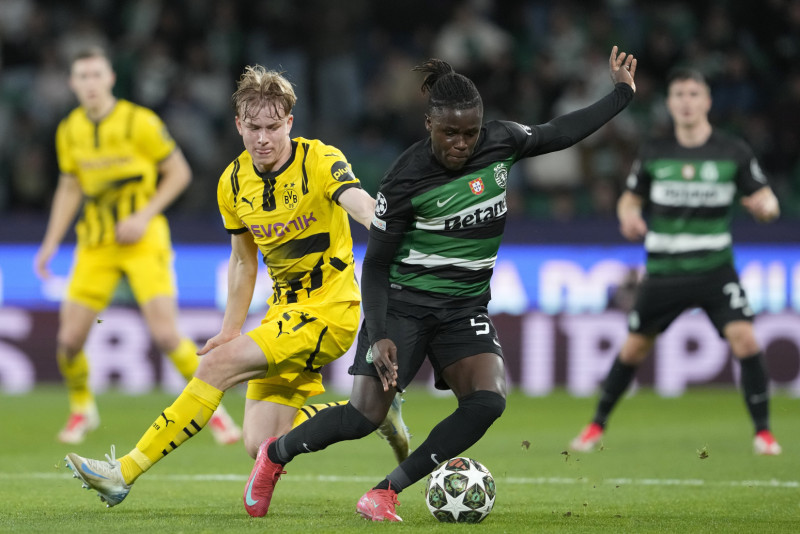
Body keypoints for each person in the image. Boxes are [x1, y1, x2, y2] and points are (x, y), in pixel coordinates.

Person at [237, 46, 638, 522]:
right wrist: (380, 334)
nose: (462, 143)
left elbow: (561, 131)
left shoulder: (502, 142)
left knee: (487, 401)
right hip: (404, 307)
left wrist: (621, 94)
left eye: (471, 132)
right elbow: (377, 265)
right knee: (362, 417)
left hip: (463, 308)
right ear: (429, 124)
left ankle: (385, 492)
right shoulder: (404, 180)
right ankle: (275, 455)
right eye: (450, 132)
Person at [63, 64, 410, 508]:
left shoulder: (320, 160)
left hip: (331, 308)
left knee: (214, 367)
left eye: (272, 127)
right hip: (283, 312)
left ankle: (123, 473)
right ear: (238, 125)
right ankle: (373, 411)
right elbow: (244, 262)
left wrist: (388, 227)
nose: (263, 138)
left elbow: (358, 203)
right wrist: (230, 330)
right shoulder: (232, 182)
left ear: (289, 123)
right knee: (259, 442)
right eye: (253, 127)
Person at [34, 46, 241, 446]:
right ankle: (82, 408)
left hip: (144, 241)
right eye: (83, 76)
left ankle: (212, 410)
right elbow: (69, 187)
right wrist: (50, 244)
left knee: (166, 335)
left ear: (111, 78)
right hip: (96, 243)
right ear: (72, 83)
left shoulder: (139, 122)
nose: (91, 83)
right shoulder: (69, 130)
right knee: (68, 342)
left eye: (97, 74)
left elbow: (179, 173)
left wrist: (143, 216)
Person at [569, 68, 782, 456]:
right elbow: (630, 199)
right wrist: (628, 216)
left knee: (746, 339)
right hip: (664, 271)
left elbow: (767, 200)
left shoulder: (732, 151)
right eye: (679, 94)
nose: (686, 102)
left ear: (707, 101)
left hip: (715, 269)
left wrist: (765, 208)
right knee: (634, 349)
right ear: (669, 103)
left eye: (693, 94)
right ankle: (595, 426)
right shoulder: (655, 151)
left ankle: (764, 434)